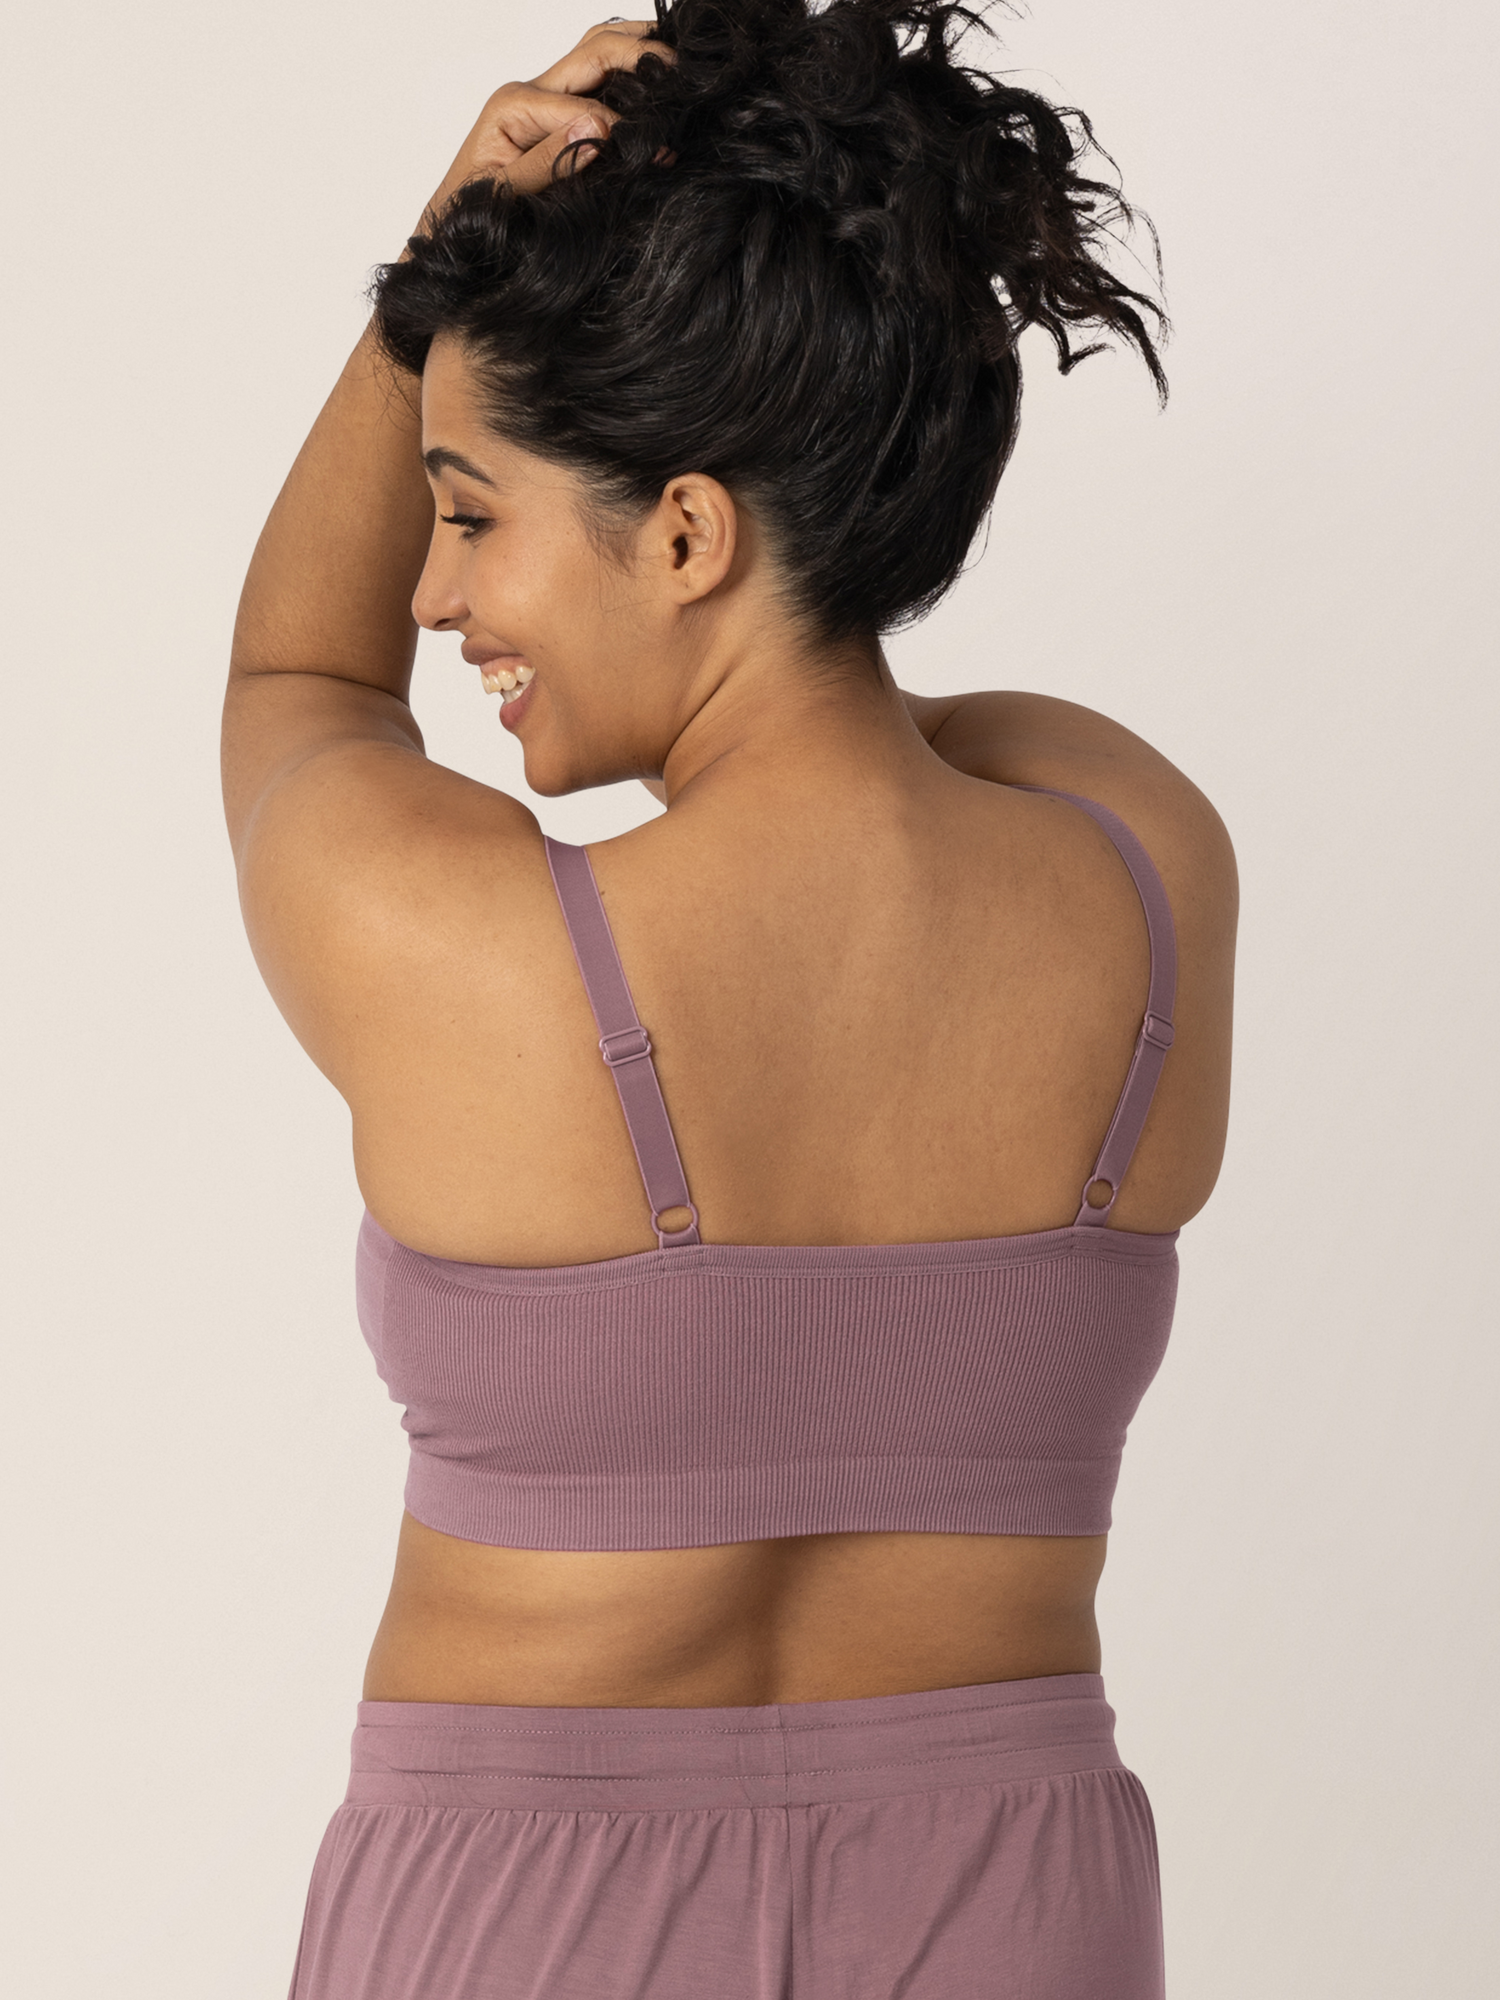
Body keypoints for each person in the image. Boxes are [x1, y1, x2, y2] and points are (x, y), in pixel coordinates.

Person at [223, 5, 1236, 1994]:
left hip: (528, 1920)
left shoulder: (463, 952)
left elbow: (301, 680)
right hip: (1021, 1913)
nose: (435, 597)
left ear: (687, 531)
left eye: (470, 511)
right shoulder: (1142, 867)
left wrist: (440, 256)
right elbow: (915, 735)